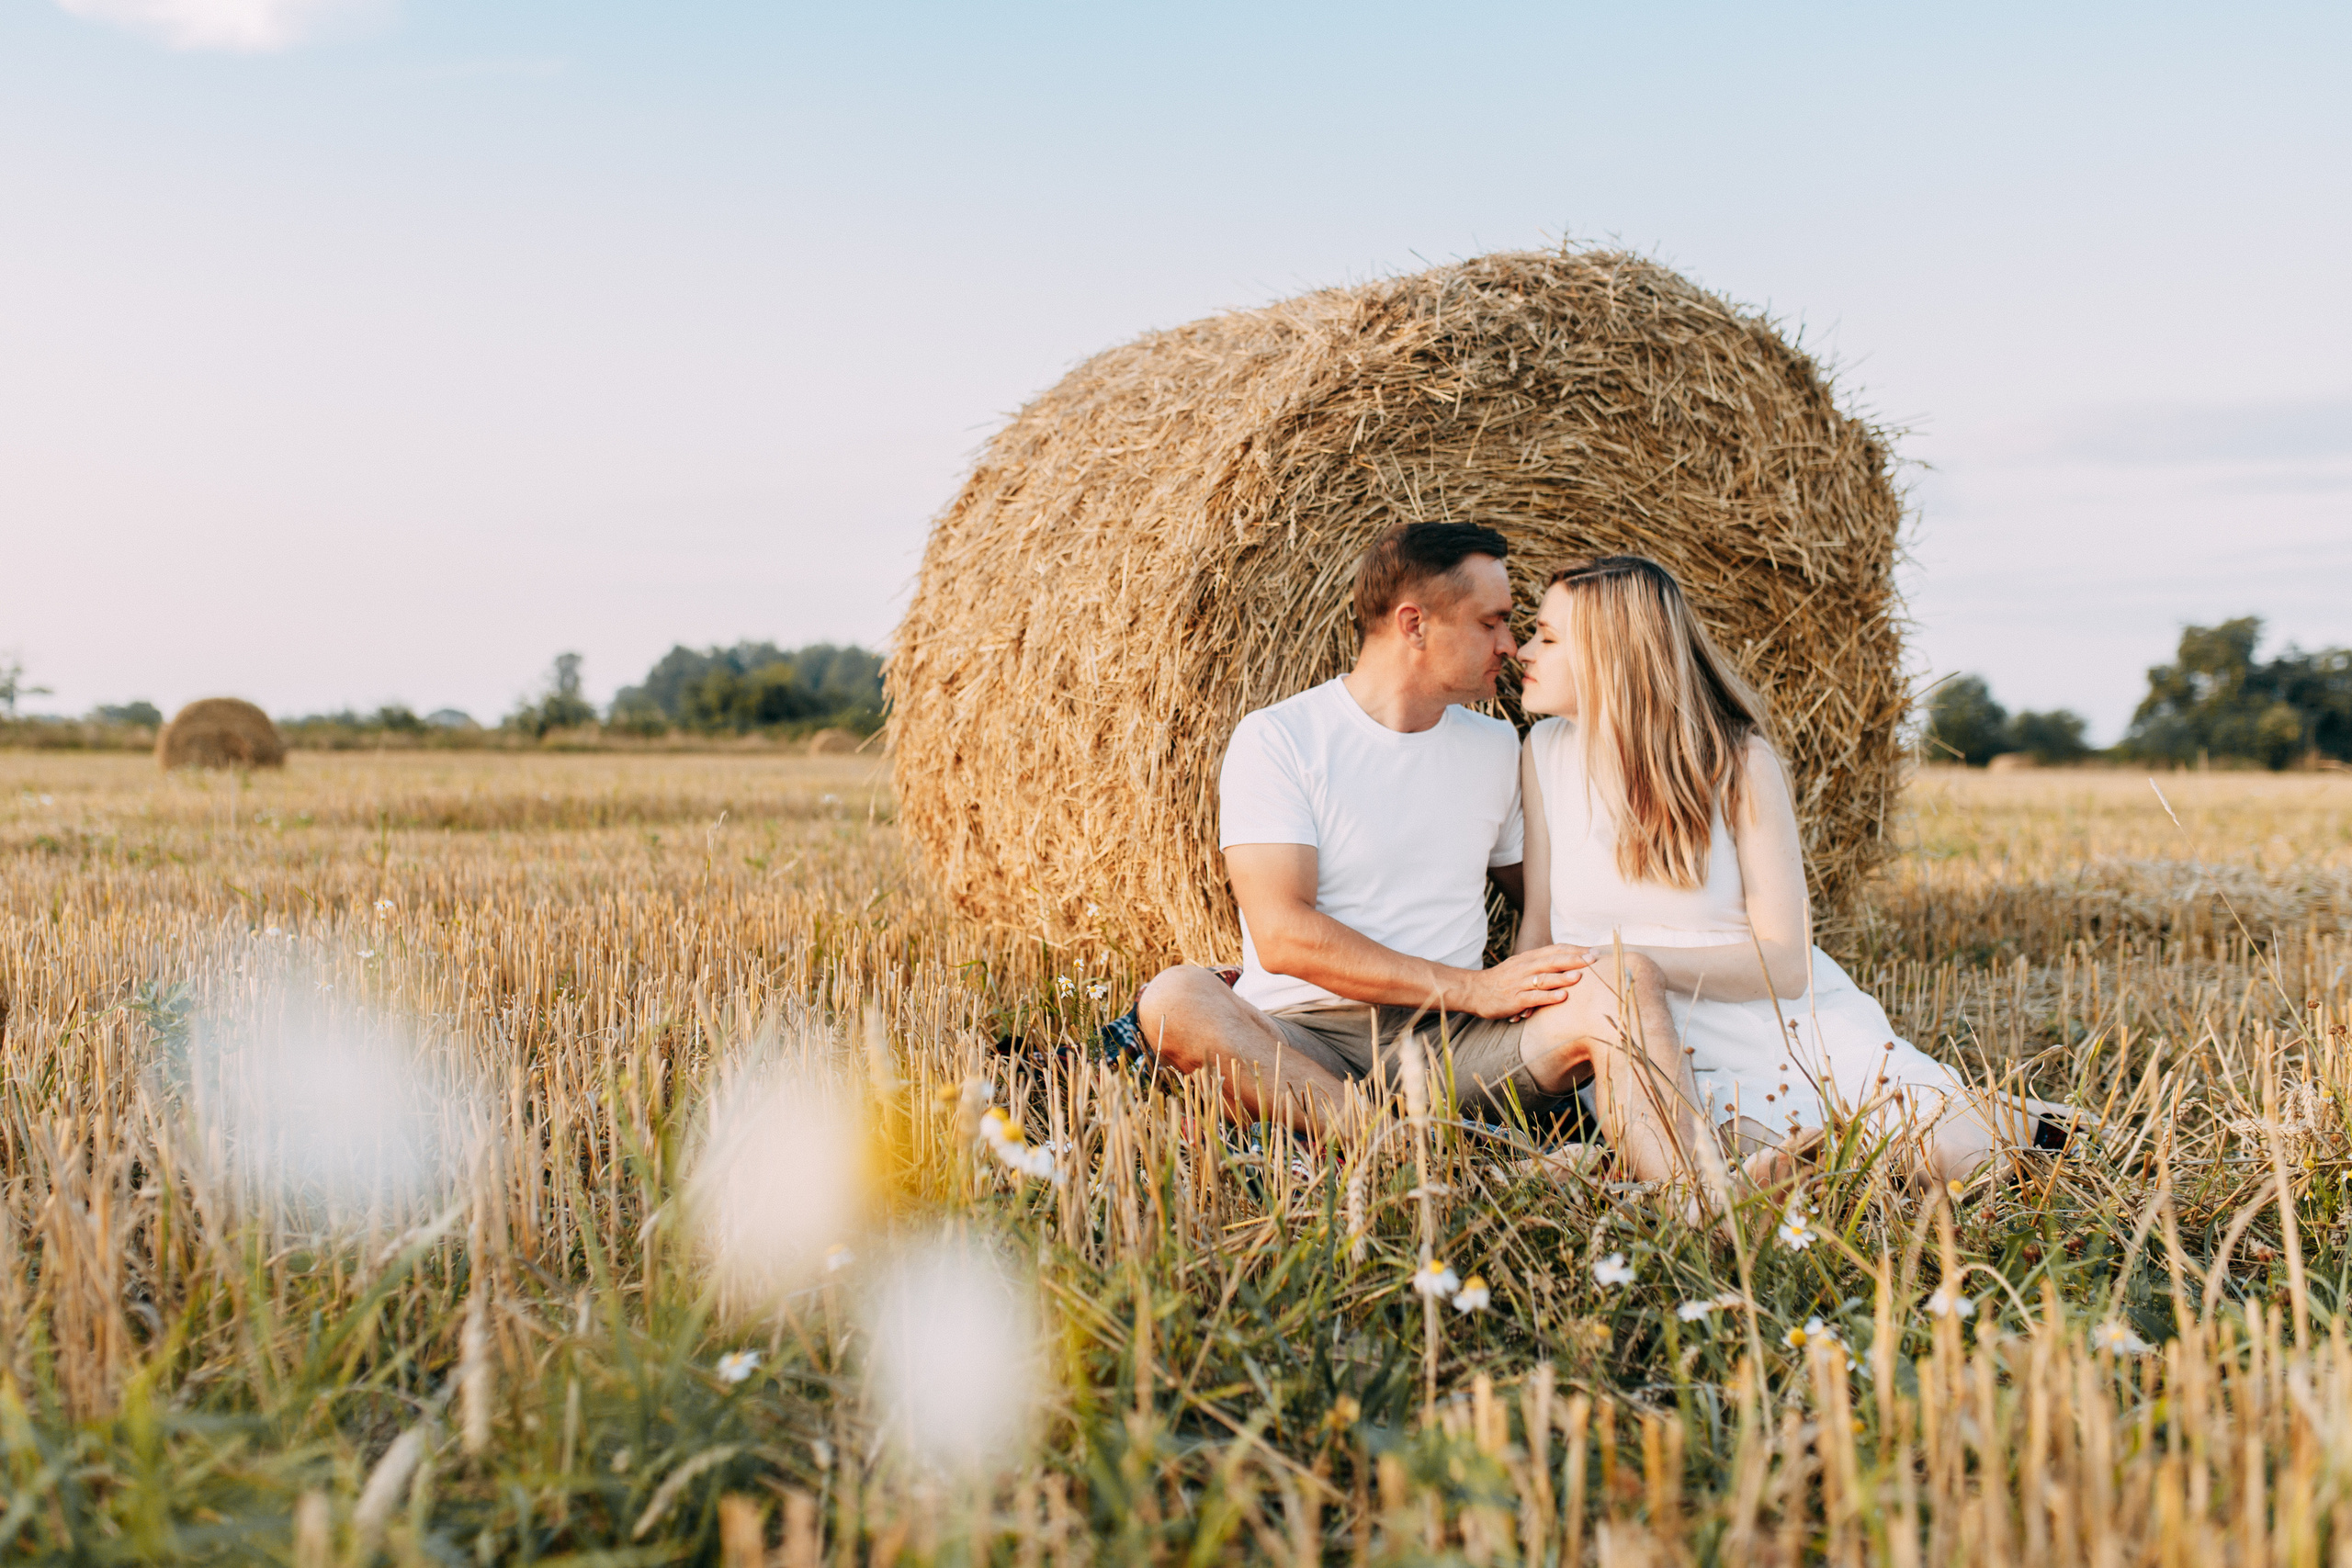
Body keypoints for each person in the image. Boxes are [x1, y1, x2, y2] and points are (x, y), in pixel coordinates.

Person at [1136, 523, 1704, 1185]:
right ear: (1414, 624)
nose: (1510, 645)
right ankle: (1403, 1149)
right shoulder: (1280, 739)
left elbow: (1555, 896)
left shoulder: (1497, 750)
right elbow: (1284, 936)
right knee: (1174, 998)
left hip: (1454, 1049)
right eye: (1491, 622)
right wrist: (1477, 988)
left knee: (1624, 983)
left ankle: (1694, 1195)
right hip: (1303, 1041)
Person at [1513, 554, 2032, 1186]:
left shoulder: (1737, 761)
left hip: (1777, 1024)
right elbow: (1537, 929)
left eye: (1546, 637)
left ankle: (2007, 1124)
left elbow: (1786, 963)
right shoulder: (1542, 753)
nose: (1521, 651)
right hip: (1647, 1040)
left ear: (1611, 654)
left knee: (1956, 1156)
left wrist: (1626, 963)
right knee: (1759, 1155)